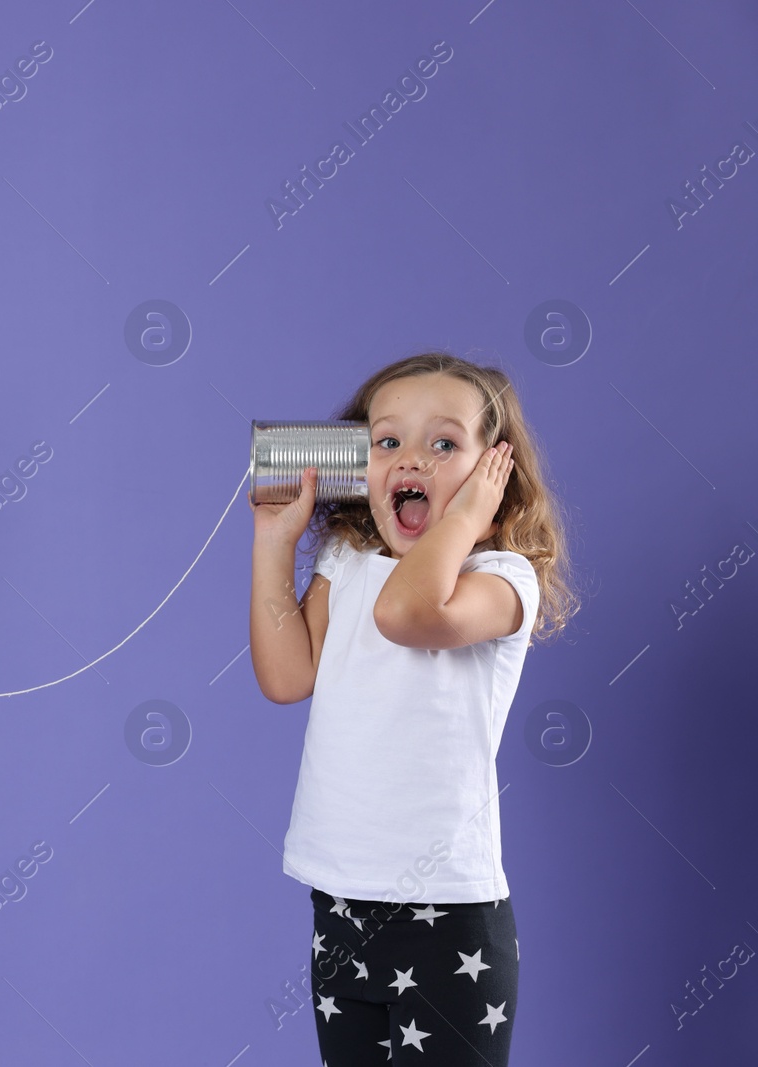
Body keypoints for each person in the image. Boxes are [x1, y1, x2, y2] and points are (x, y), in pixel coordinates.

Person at [248, 353, 578, 1065]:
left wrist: (462, 520)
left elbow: (409, 612)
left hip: (449, 921)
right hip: (340, 904)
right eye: (387, 441)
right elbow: (286, 675)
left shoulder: (498, 580)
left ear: (495, 472)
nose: (413, 460)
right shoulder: (345, 558)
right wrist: (276, 544)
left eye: (445, 444)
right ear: (354, 464)